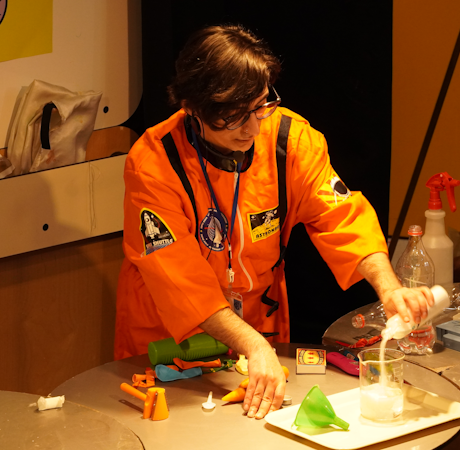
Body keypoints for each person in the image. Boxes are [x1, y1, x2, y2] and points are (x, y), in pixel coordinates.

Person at [115, 24, 433, 420]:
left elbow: (342, 217)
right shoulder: (153, 165)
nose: (252, 128)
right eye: (233, 117)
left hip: (258, 331)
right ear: (192, 108)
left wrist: (389, 288)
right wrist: (253, 345)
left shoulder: (288, 140)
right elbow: (180, 282)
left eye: (260, 105)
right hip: (168, 342)